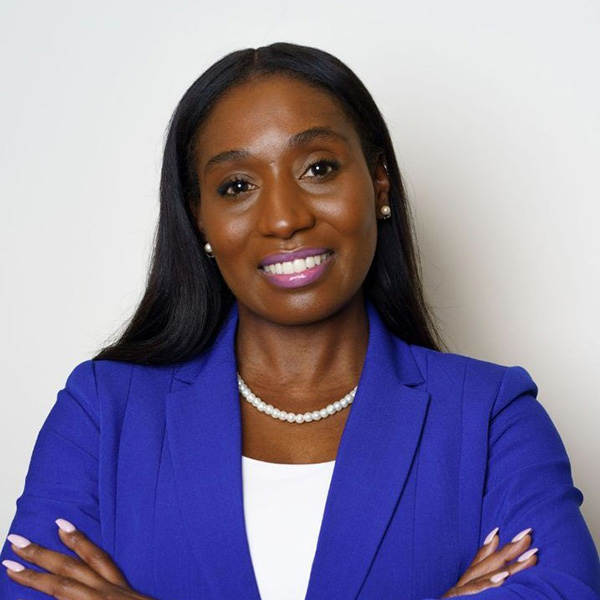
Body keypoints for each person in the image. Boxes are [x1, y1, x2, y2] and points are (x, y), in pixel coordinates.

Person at [1, 42, 598, 600]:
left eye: (318, 168)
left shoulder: (489, 414)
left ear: (379, 181)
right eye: (237, 185)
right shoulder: (103, 412)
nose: (284, 218)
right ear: (199, 217)